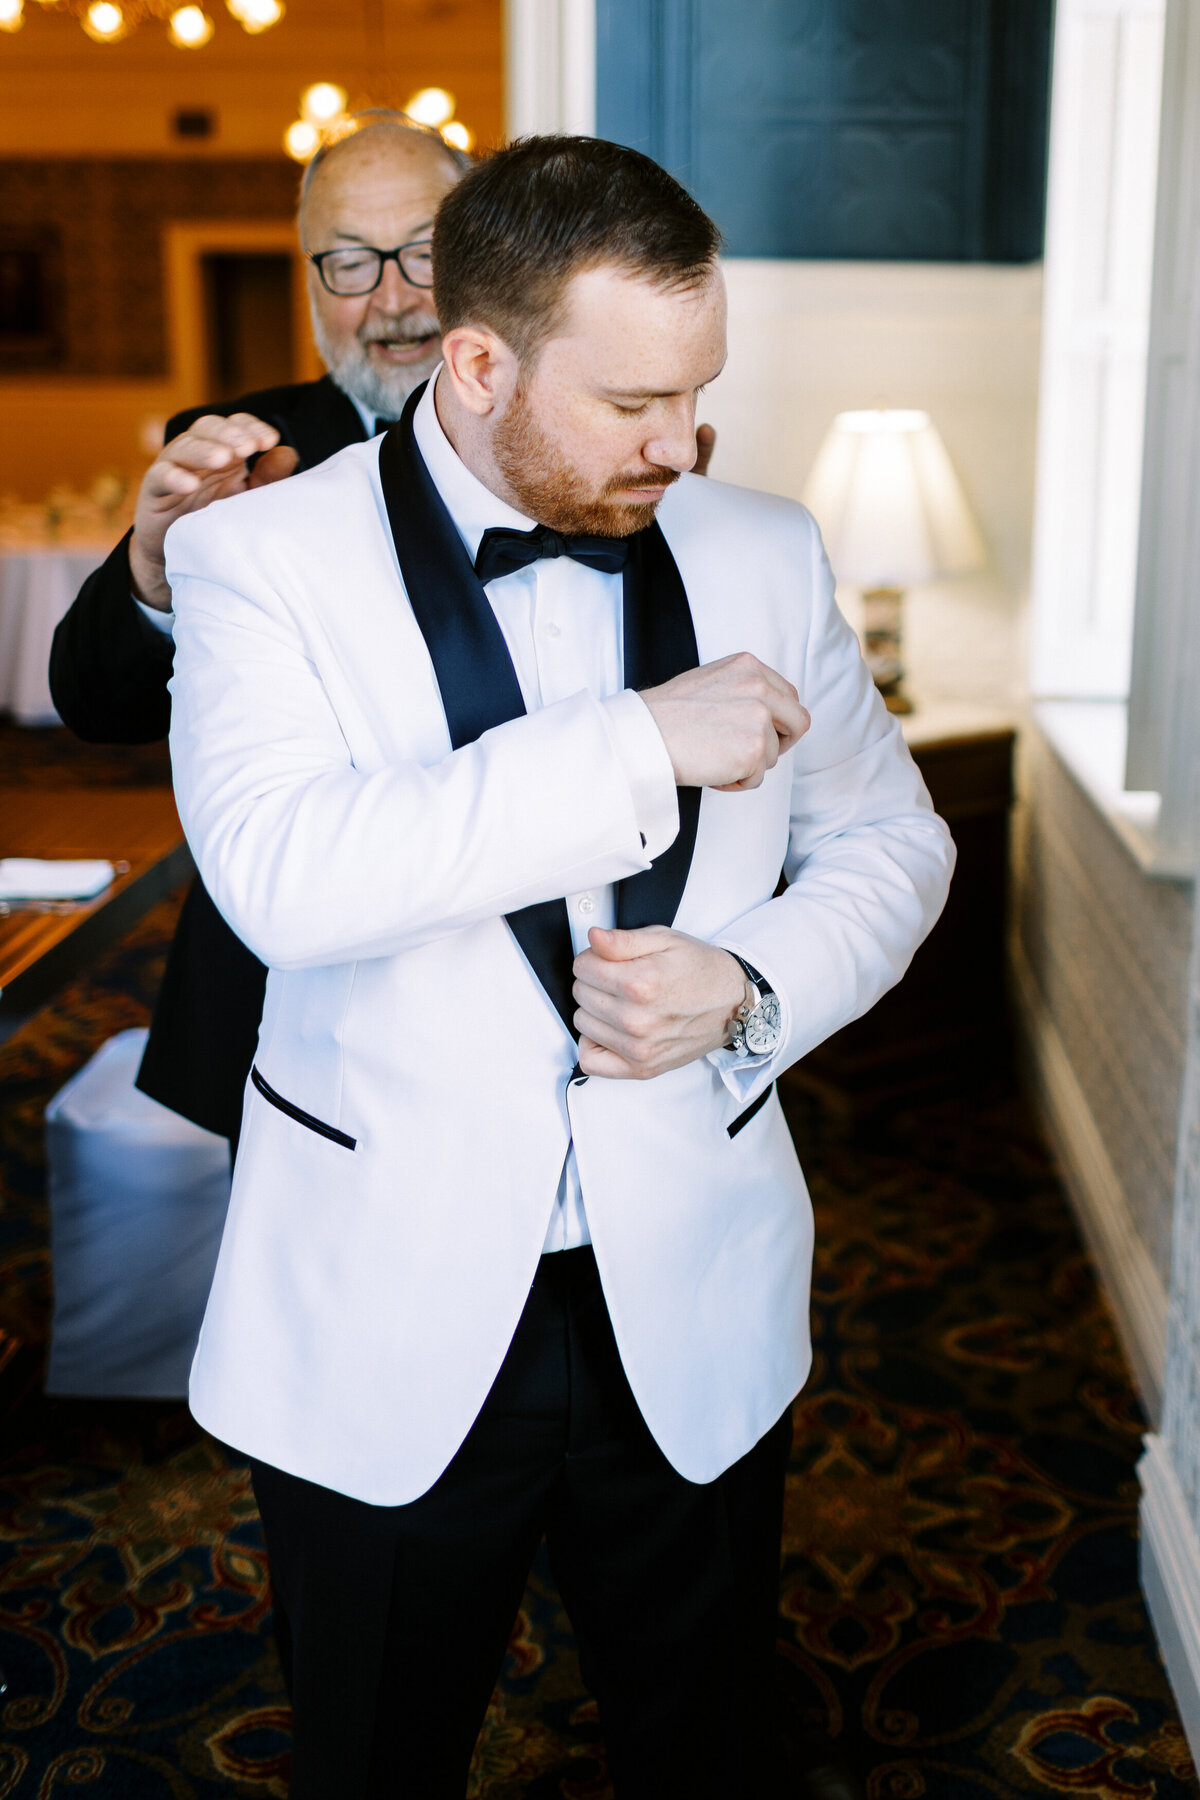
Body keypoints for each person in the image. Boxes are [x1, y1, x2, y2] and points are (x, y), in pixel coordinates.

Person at [165, 137, 955, 1797]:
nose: (686, 441)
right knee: (379, 1756)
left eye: (700, 390)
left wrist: (747, 985)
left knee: (711, 1747)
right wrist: (640, 742)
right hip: (381, 1303)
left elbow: (899, 843)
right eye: (632, 406)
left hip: (696, 1285)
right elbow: (288, 880)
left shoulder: (764, 547)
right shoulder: (260, 561)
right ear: (477, 361)